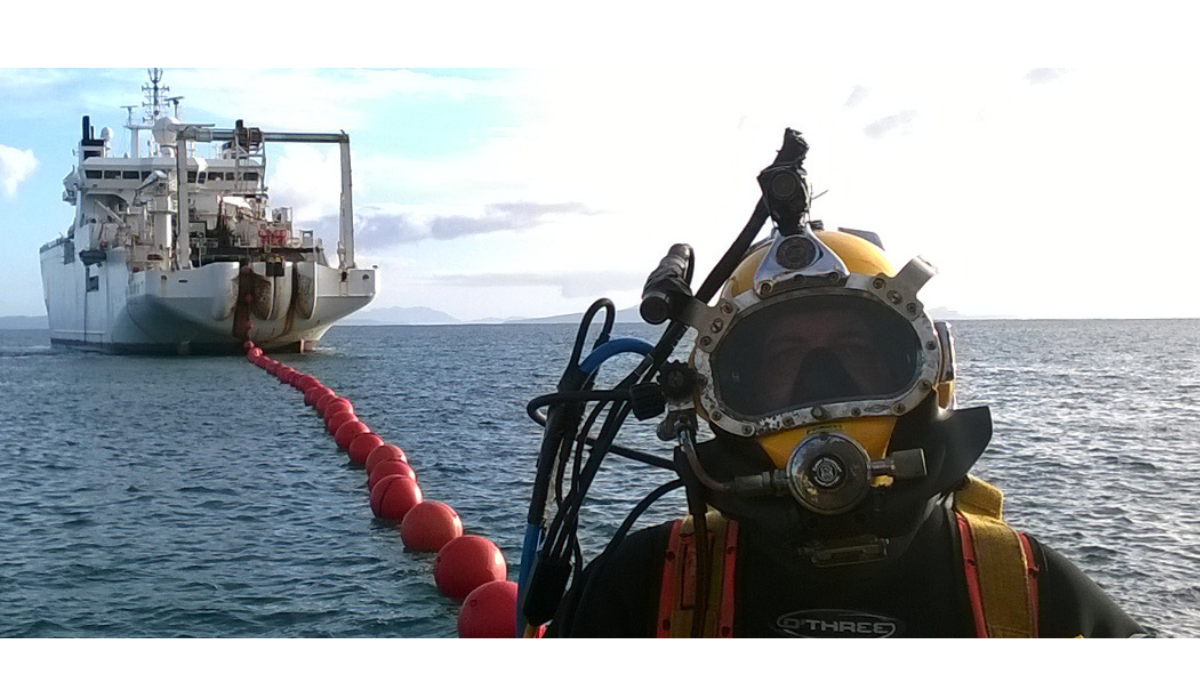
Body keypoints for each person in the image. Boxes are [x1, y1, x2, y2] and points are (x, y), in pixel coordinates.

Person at [531, 134, 1146, 638]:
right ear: (715, 392)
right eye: (784, 356)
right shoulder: (641, 590)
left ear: (930, 369)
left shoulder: (1030, 594)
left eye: (855, 350)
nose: (821, 384)